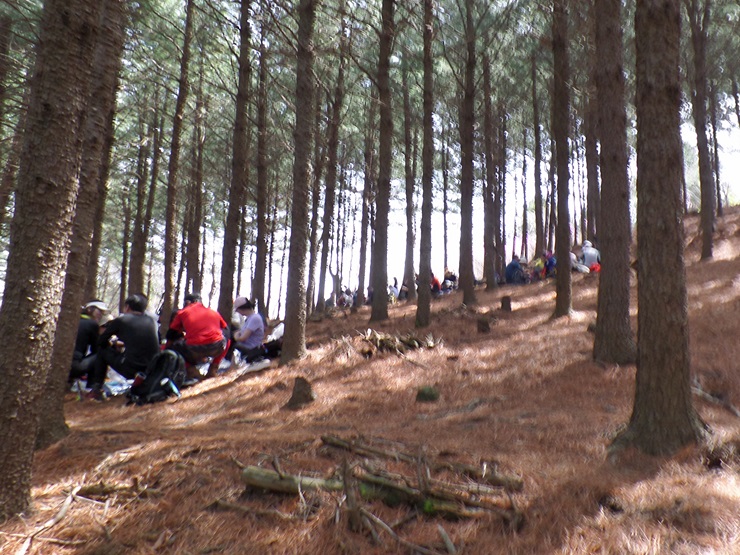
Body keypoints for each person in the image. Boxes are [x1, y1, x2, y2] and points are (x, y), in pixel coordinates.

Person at [86, 294, 160, 400]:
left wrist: (113, 344)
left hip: (132, 368)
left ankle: (96, 389)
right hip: (152, 368)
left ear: (127, 307)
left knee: (102, 351)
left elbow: (101, 341)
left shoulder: (122, 320)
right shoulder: (151, 321)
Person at [169, 292, 229, 379]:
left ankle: (192, 371)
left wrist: (167, 348)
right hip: (217, 347)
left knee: (174, 346)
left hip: (193, 349)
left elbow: (171, 335)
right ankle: (213, 368)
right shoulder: (213, 312)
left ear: (188, 302)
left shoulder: (182, 313)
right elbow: (226, 330)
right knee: (227, 337)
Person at [69, 300, 109, 384]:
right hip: (75, 367)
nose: (101, 314)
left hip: (61, 365)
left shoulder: (72, 321)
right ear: (89, 309)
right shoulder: (92, 324)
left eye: (102, 312)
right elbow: (96, 348)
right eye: (99, 311)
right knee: (101, 353)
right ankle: (93, 386)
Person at [231, 297, 266, 362]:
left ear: (242, 309)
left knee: (231, 342)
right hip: (247, 346)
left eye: (237, 310)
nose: (238, 313)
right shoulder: (249, 318)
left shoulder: (255, 318)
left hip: (251, 349)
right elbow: (240, 332)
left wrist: (235, 336)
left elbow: (242, 338)